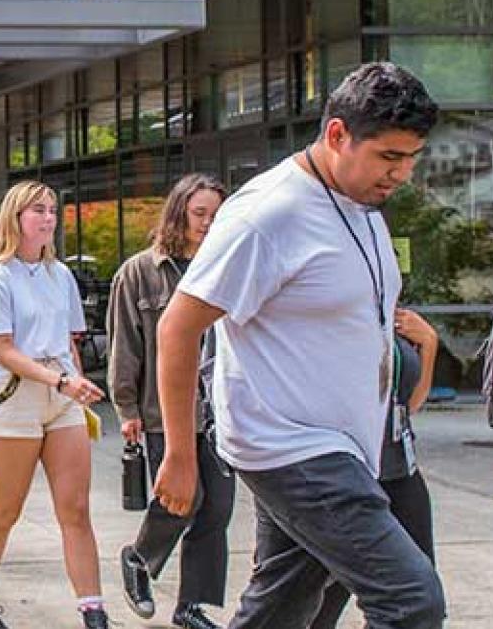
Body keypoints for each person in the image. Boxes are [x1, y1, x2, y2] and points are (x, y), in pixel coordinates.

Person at [152, 62, 446, 629]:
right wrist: (181, 455)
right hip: (292, 450)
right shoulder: (269, 213)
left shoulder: (362, 209)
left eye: (412, 157)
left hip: (343, 448)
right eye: (389, 156)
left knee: (287, 611)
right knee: (411, 601)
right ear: (337, 135)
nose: (403, 174)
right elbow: (178, 327)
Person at [0, 180, 113, 629]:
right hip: (15, 396)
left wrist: (77, 381)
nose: (47, 218)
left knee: (76, 509)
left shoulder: (59, 274)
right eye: (37, 210)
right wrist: (61, 380)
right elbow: (4, 350)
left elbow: (70, 338)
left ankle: (93, 610)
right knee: (6, 510)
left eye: (51, 210)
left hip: (62, 395)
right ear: (16, 218)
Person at [110, 174, 233, 629]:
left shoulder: (225, 266)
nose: (206, 223)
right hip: (164, 410)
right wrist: (127, 410)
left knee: (216, 507)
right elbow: (125, 347)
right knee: (185, 497)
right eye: (199, 213)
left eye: (215, 215)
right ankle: (139, 559)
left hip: (221, 410)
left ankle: (192, 607)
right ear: (178, 212)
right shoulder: (140, 272)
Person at [310, 309, 439, 629]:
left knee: (417, 593)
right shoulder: (327, 315)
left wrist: (429, 343)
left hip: (399, 469)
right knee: (319, 592)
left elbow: (408, 404)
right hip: (342, 472)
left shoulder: (396, 318)